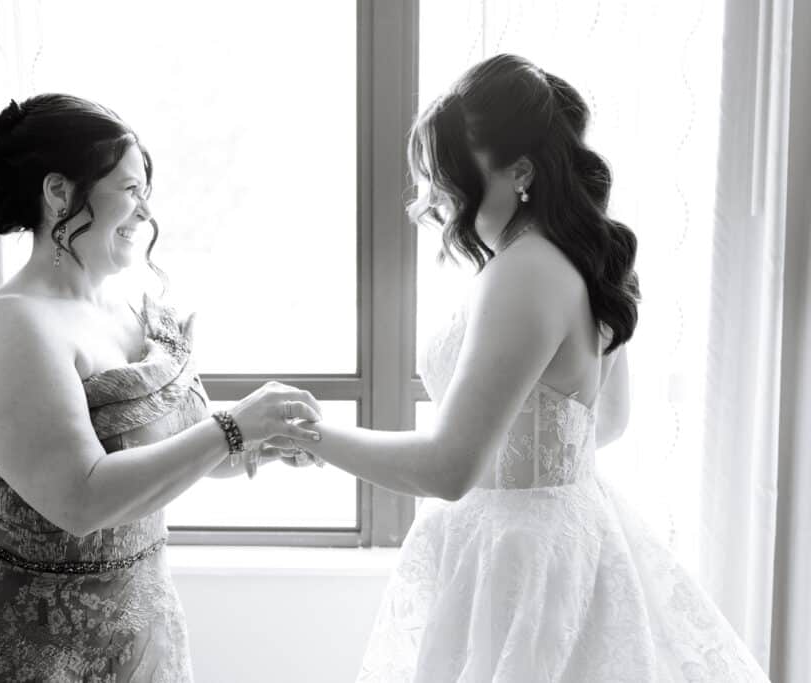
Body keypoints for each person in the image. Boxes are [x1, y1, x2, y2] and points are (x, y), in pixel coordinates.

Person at [292, 55, 770, 682]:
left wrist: (311, 435)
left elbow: (449, 467)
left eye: (443, 181)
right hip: (569, 537)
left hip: (517, 558)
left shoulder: (520, 270)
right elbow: (606, 423)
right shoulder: (582, 257)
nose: (424, 206)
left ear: (520, 172)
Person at [0, 93, 321, 682]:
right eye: (130, 190)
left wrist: (254, 445)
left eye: (146, 192)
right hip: (24, 643)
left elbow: (173, 449)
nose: (146, 213)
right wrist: (234, 428)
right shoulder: (13, 326)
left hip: (139, 626)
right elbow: (81, 500)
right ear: (59, 193)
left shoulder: (132, 306)